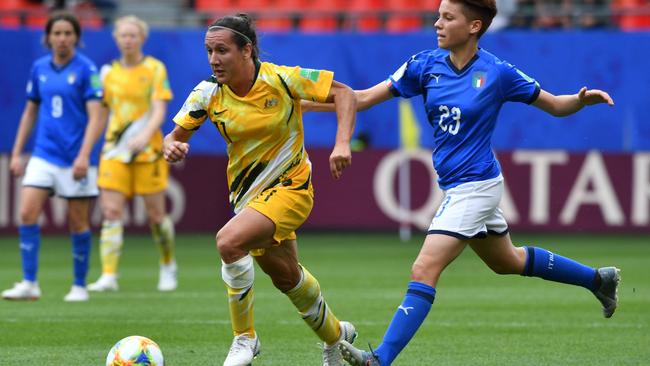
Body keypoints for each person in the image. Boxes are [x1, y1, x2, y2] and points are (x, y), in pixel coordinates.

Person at [305, 1, 620, 365]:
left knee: (424, 269)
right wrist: (313, 103)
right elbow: (359, 99)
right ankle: (598, 280)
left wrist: (580, 101)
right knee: (507, 261)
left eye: (447, 18)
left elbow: (554, 104)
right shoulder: (423, 65)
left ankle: (379, 360)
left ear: (473, 26)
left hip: (478, 186)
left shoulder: (497, 72)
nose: (437, 23)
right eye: (439, 15)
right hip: (456, 186)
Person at [163, 13, 358, 366]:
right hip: (249, 200)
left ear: (247, 50)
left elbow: (343, 94)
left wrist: (341, 143)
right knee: (288, 278)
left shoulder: (282, 79)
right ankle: (337, 338)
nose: (213, 60)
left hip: (292, 188)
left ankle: (244, 339)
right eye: (209, 51)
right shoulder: (207, 94)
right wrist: (171, 147)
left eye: (221, 50)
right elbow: (173, 137)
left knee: (228, 241)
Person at [1, 11, 104, 302]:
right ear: (48, 37)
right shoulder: (39, 68)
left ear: (76, 38)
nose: (62, 39)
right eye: (57, 33)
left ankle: (79, 285)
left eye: (68, 33)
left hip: (75, 157)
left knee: (78, 222)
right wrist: (18, 151)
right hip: (44, 153)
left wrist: (84, 155)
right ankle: (29, 282)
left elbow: (96, 117)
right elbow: (30, 111)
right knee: (26, 213)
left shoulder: (86, 69)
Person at [87, 15, 177, 292]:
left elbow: (159, 109)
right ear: (116, 39)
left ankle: (167, 265)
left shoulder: (154, 69)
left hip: (148, 151)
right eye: (123, 35)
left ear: (142, 39)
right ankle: (109, 275)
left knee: (156, 217)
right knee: (111, 212)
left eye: (133, 35)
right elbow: (100, 115)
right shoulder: (105, 74)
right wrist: (86, 149)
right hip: (114, 150)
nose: (128, 40)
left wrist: (145, 134)